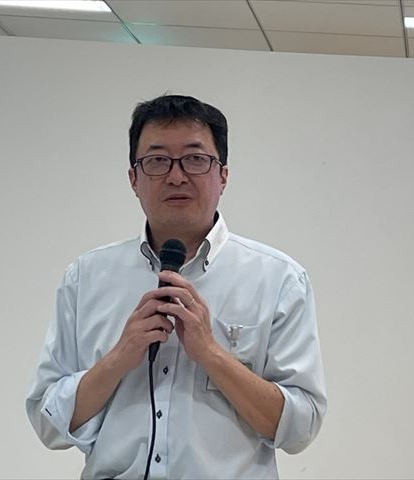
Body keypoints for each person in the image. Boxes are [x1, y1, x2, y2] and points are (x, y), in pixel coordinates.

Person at [25, 94, 327, 479]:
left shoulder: (279, 279)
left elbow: (300, 429)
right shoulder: (85, 277)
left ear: (223, 176)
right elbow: (48, 423)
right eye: (157, 161)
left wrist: (211, 354)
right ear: (133, 179)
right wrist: (120, 357)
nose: (176, 176)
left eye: (195, 159)